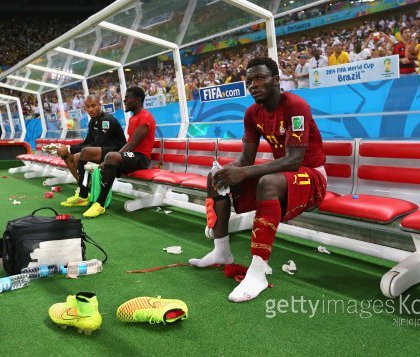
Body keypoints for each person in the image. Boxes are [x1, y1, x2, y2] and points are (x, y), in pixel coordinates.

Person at [189, 57, 327, 302]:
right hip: (287, 175)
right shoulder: (252, 113)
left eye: (260, 78)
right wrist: (227, 170)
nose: (253, 84)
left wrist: (244, 172)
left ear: (276, 80)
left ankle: (258, 270)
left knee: (267, 182)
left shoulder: (295, 105)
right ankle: (221, 251)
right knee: (216, 178)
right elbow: (245, 158)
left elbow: (294, 160)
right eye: (249, 80)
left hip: (312, 175)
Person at [82, 87, 156, 218]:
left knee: (110, 158)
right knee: (108, 162)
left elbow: (132, 144)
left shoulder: (145, 116)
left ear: (138, 100)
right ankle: (93, 199)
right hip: (132, 157)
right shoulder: (134, 118)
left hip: (141, 158)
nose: (125, 100)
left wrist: (108, 160)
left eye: (128, 98)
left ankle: (100, 203)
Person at [55, 95, 126, 185]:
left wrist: (69, 148)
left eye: (93, 106)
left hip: (116, 154)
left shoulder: (106, 120)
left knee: (78, 156)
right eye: (87, 107)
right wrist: (67, 149)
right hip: (102, 152)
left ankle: (88, 188)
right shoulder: (92, 121)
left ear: (100, 105)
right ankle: (83, 186)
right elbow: (87, 141)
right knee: (67, 156)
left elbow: (98, 143)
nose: (90, 110)